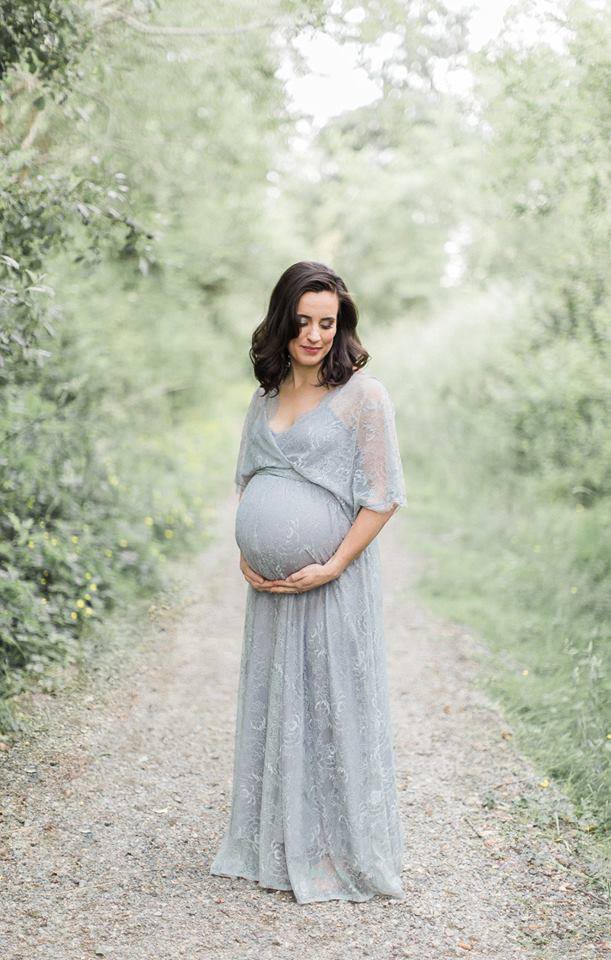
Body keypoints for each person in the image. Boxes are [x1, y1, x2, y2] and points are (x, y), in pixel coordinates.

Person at [209, 260, 408, 904]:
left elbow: (382, 497)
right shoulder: (264, 398)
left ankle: (338, 849)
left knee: (333, 705)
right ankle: (276, 840)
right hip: (268, 588)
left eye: (328, 322)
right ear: (282, 321)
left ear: (341, 325)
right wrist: (250, 549)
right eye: (303, 321)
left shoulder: (364, 397)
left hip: (333, 580)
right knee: (277, 703)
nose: (315, 335)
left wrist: (335, 563)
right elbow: (248, 481)